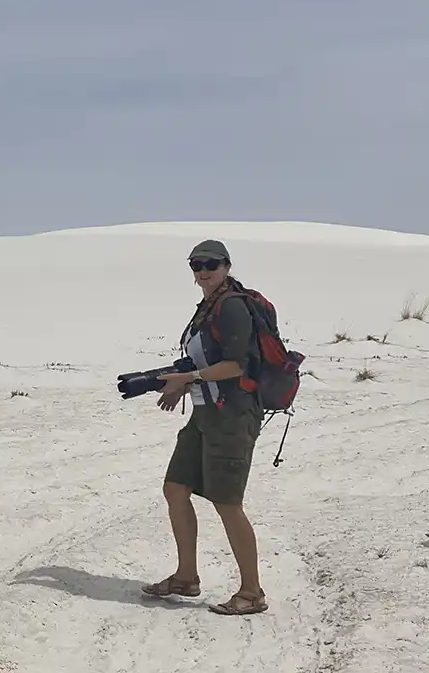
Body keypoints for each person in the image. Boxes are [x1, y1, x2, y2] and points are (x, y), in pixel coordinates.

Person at [140, 239, 268, 616]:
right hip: (205, 413)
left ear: (226, 265)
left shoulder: (231, 307)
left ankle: (252, 592)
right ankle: (186, 577)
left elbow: (236, 366)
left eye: (211, 264)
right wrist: (185, 383)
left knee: (228, 504)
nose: (203, 271)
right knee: (175, 488)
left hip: (232, 416)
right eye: (196, 265)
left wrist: (188, 378)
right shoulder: (208, 307)